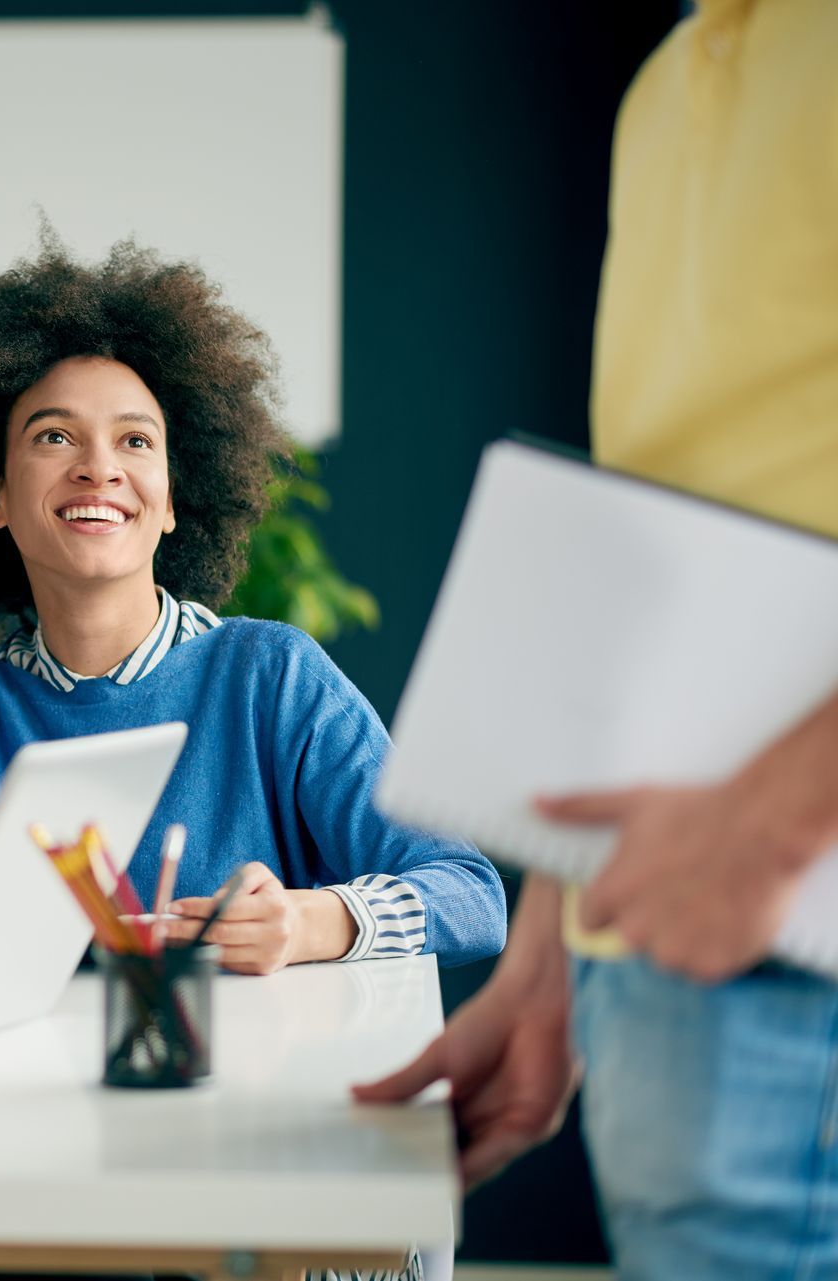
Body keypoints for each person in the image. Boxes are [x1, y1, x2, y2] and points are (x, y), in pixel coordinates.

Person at [356, 3, 838, 1276]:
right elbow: (668, 519)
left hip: (801, 925)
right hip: (663, 937)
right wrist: (551, 954)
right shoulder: (676, 78)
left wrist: (783, 814)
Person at [0, 236, 506, 972]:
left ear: (173, 503)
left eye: (135, 440)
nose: (99, 468)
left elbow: (469, 890)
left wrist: (309, 922)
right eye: (55, 436)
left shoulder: (271, 673)